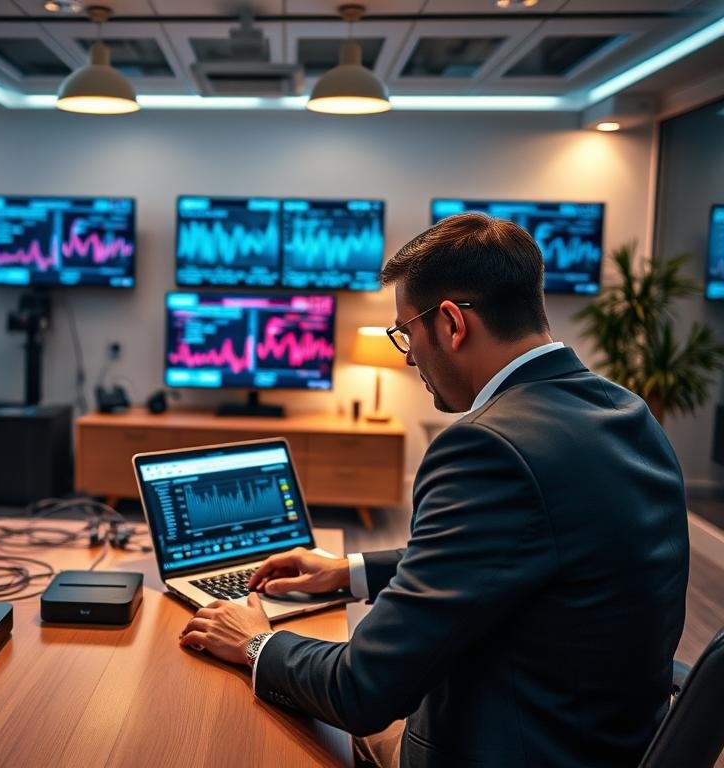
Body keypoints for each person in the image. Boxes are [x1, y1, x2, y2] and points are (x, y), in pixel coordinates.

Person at [178, 212, 690, 768]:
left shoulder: (487, 447)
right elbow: (521, 549)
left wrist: (257, 642)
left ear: (450, 323)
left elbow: (363, 691)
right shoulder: (625, 412)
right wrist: (348, 572)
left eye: (406, 333)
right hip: (604, 741)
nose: (409, 357)